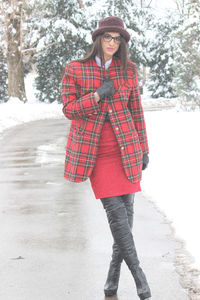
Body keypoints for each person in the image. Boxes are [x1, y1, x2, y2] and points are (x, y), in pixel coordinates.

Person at [61, 16, 151, 300]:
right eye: (107, 37)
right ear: (97, 39)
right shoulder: (76, 69)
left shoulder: (129, 70)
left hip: (127, 150)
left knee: (125, 223)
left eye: (117, 38)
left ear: (122, 42)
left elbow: (137, 112)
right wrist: (97, 95)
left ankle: (112, 282)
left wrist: (144, 148)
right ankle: (140, 278)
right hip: (97, 155)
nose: (112, 43)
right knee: (118, 217)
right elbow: (69, 109)